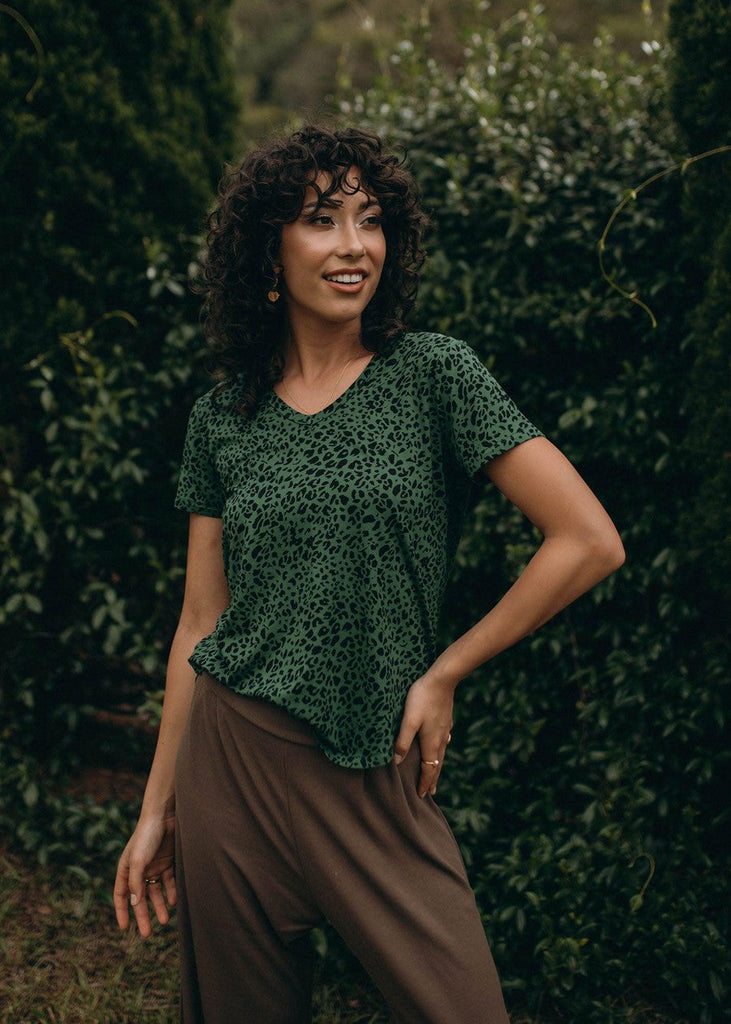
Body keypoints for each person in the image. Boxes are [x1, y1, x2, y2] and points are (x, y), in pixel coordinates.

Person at [113, 124, 625, 1023]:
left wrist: (446, 670)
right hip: (230, 767)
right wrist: (157, 810)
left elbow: (586, 539)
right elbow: (200, 626)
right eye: (322, 219)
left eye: (370, 219)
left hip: (374, 772)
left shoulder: (433, 374)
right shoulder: (223, 416)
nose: (354, 246)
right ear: (267, 250)